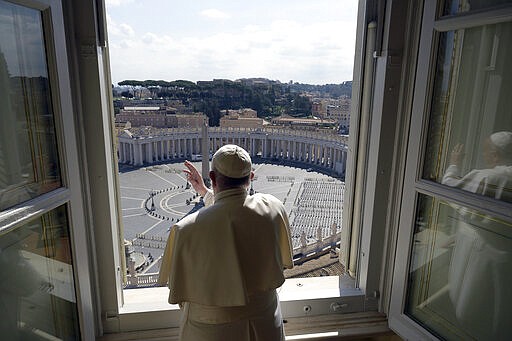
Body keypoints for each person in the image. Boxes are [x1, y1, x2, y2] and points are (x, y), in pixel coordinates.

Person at [158, 144, 293, 341]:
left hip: (210, 332)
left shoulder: (185, 229)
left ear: (212, 177)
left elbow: (180, 294)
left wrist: (206, 191)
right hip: (266, 325)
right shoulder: (273, 207)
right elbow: (236, 209)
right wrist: (204, 192)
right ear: (251, 177)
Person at [442, 131, 512, 340]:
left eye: (485, 152)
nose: (483, 156)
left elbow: (449, 188)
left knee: (470, 305)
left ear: (495, 154)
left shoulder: (489, 178)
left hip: (482, 254)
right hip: (505, 255)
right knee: (499, 305)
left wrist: (454, 163)